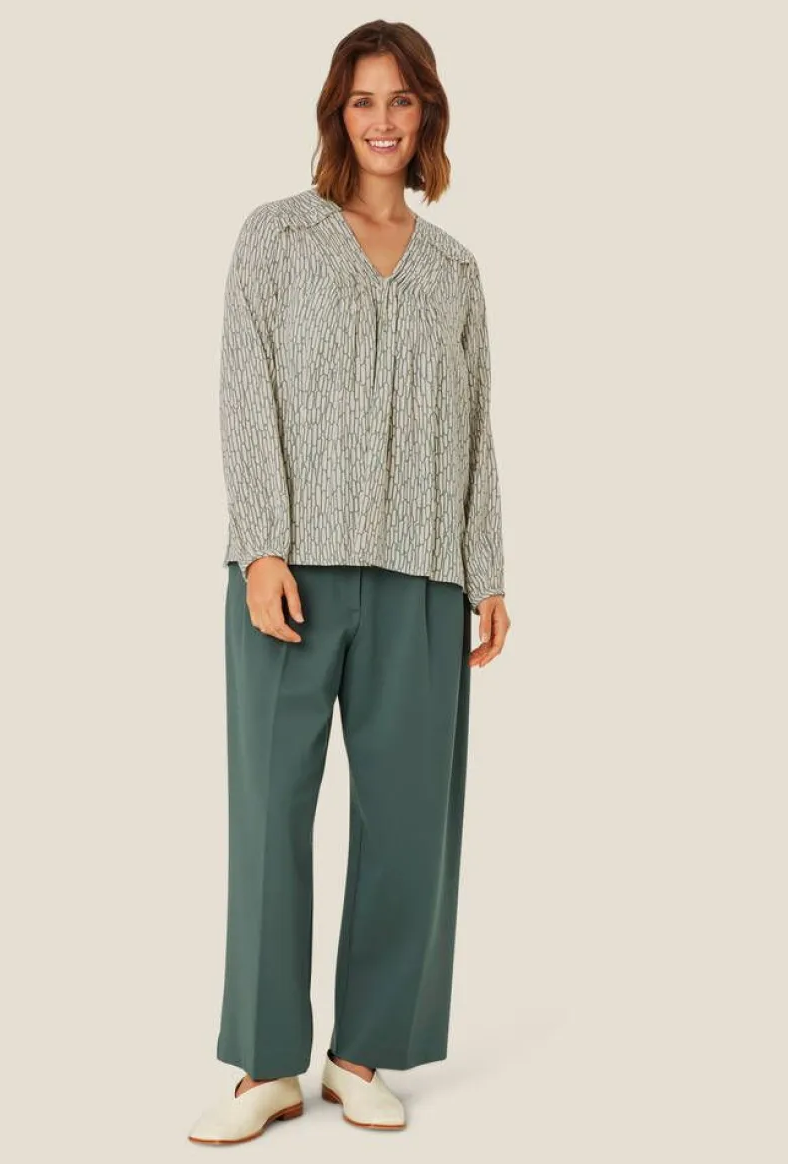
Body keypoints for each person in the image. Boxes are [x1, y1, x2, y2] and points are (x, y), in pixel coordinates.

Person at [188, 19, 511, 1145]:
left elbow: (477, 428)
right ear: (338, 112)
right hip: (293, 573)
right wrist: (262, 546)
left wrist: (486, 570)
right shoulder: (276, 237)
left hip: (422, 577)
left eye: (402, 101)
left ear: (426, 117)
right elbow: (245, 390)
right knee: (269, 814)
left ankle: (360, 1054)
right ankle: (265, 1066)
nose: (383, 120)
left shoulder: (455, 270)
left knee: (409, 820)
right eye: (364, 99)